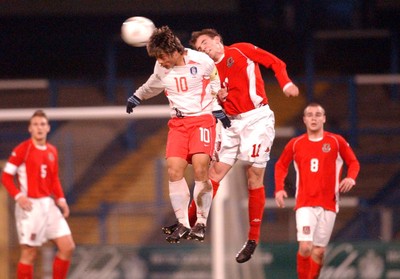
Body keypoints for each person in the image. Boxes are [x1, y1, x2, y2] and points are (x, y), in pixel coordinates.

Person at [163, 28, 299, 263]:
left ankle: (253, 239)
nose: (203, 48)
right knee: (213, 172)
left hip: (256, 119)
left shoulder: (242, 50)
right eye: (199, 47)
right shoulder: (206, 69)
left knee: (254, 176)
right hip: (229, 124)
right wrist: (218, 96)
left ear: (218, 40)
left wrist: (286, 84)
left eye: (205, 42)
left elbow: (276, 62)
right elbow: (206, 98)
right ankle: (188, 220)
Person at [126, 26, 231, 244]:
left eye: (162, 57)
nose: (161, 61)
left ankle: (201, 222)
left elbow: (214, 79)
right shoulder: (161, 67)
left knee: (201, 166)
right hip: (178, 124)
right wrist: (137, 97)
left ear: (173, 50)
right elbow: (153, 83)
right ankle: (183, 223)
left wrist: (215, 106)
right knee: (174, 170)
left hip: (202, 119)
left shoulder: (201, 61)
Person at [274, 103, 360, 279]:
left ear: (324, 118)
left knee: (319, 252)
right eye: (310, 115)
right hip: (305, 203)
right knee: (305, 247)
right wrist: (279, 189)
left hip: (329, 203)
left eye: (318, 114)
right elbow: (281, 165)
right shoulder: (296, 143)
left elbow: (354, 162)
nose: (314, 118)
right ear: (304, 120)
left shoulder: (336, 141)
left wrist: (351, 177)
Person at [1, 110, 75, 279]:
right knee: (29, 254)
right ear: (30, 128)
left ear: (48, 128)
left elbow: (54, 178)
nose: (39, 127)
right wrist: (18, 196)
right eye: (35, 124)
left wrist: (61, 199)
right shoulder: (22, 150)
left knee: (67, 246)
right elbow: (5, 176)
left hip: (48, 205)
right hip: (30, 207)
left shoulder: (52, 151)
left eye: (42, 124)